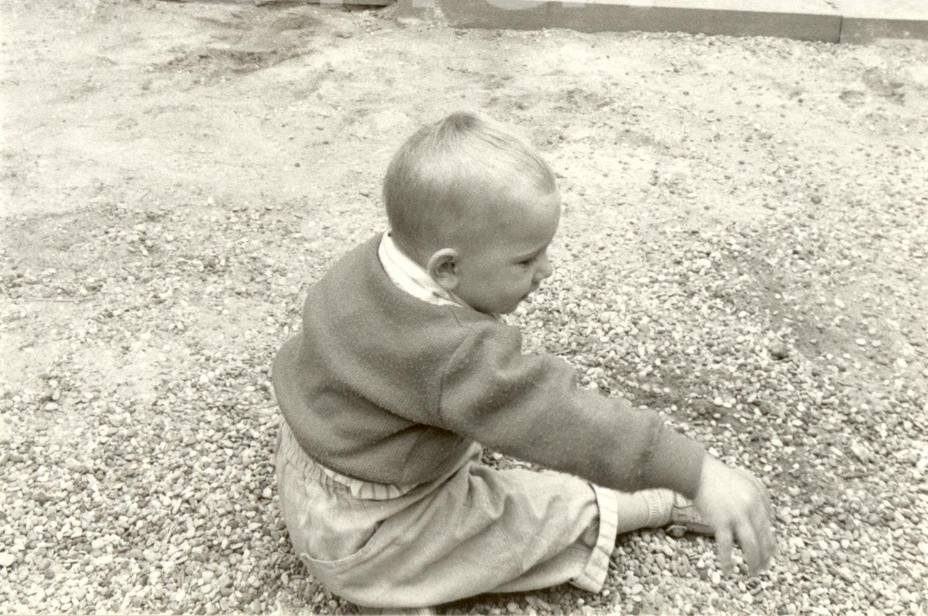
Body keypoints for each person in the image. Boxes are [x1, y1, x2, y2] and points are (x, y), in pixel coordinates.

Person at [271, 113, 776, 610]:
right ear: (447, 268)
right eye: (526, 260)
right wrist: (693, 472)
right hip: (372, 536)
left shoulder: (368, 264)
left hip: (311, 466)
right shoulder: (455, 354)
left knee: (464, 416)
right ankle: (652, 503)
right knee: (535, 514)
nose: (546, 271)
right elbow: (559, 414)